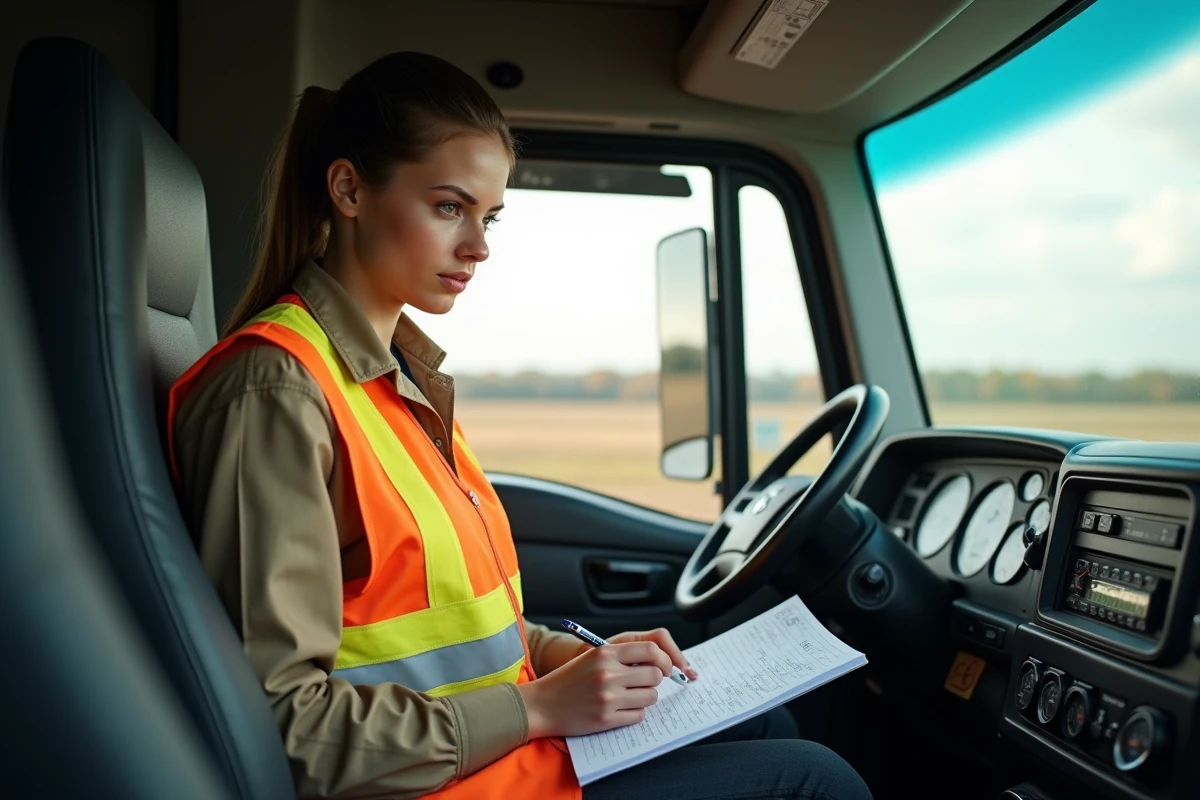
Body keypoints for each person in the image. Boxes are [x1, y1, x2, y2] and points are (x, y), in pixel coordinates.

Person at [168, 50, 873, 800]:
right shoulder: (276, 390)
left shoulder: (398, 378)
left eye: (489, 215)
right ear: (348, 189)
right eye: (449, 207)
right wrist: (538, 706)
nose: (478, 246)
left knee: (770, 728)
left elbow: (444, 630)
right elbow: (284, 732)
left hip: (485, 762)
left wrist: (560, 654)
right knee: (814, 781)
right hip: (429, 786)